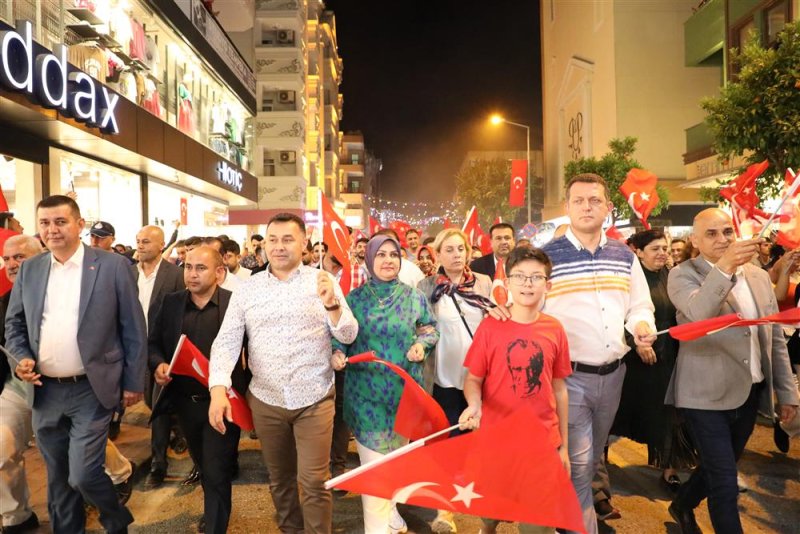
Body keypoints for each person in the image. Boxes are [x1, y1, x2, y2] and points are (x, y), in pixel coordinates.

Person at [209, 212, 358, 534]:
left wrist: (332, 305)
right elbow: (227, 342)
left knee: (315, 481)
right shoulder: (248, 290)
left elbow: (348, 335)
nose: (279, 247)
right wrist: (218, 388)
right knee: (280, 481)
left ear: (304, 243)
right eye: (273, 239)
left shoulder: (322, 282)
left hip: (315, 399)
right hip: (266, 400)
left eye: (288, 239)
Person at [6, 195, 147, 534]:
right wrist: (20, 358)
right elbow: (15, 324)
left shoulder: (112, 266)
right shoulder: (31, 268)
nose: (51, 230)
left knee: (82, 472)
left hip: (92, 387)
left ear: (79, 225)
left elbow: (133, 326)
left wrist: (133, 382)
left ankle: (115, 518)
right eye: (44, 223)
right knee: (57, 477)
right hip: (44, 390)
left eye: (60, 221)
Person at [666, 208, 799, 534]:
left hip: (749, 393)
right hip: (703, 396)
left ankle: (683, 502)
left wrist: (787, 392)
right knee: (724, 481)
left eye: (727, 231)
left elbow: (774, 338)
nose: (722, 239)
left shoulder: (756, 275)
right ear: (695, 241)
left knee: (717, 468)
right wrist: (724, 268)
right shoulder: (682, 275)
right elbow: (699, 314)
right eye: (711, 234)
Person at [541, 174, 656, 534]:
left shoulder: (624, 255)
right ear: (568, 207)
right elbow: (527, 306)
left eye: (594, 200)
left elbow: (639, 305)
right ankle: (579, 526)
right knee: (579, 463)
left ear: (608, 207)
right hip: (568, 378)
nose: (587, 206)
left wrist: (640, 326)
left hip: (615, 375)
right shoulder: (546, 256)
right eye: (579, 201)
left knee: (591, 458)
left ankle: (564, 512)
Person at [459, 246, 571, 534]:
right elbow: (473, 380)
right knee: (491, 514)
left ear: (548, 285)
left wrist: (564, 447)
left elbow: (559, 389)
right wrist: (475, 405)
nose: (527, 284)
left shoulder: (555, 329)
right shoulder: (491, 327)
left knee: (538, 526)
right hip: (497, 442)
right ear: (507, 283)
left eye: (536, 277)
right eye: (520, 276)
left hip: (542, 444)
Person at [331, 235, 438, 534]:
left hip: (405, 395)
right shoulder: (353, 299)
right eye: (381, 255)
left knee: (395, 464)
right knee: (375, 475)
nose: (388, 260)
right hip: (366, 397)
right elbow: (339, 336)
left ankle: (391, 512)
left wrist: (422, 345)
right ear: (369, 259)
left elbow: (429, 329)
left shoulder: (414, 296)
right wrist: (337, 353)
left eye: (394, 254)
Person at [150, 246, 249, 534]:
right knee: (206, 467)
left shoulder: (235, 304)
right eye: (187, 266)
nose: (191, 274)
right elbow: (153, 343)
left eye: (200, 268)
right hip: (185, 403)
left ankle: (216, 524)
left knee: (217, 471)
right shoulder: (171, 303)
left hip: (224, 403)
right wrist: (158, 365)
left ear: (220, 273)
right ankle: (213, 510)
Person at [417, 229, 492, 533]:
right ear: (438, 254)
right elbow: (421, 327)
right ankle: (443, 511)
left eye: (460, 248)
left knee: (480, 447)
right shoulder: (426, 287)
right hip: (443, 378)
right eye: (448, 249)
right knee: (445, 447)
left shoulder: (484, 283)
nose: (456, 254)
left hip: (480, 379)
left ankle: (488, 512)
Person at [611, 230, 696, 493]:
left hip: (670, 353)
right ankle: (599, 464)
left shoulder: (673, 276)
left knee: (672, 411)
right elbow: (616, 317)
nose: (662, 253)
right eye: (655, 249)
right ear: (638, 251)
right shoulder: (628, 281)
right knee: (622, 410)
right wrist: (636, 343)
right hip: (637, 358)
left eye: (665, 248)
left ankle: (669, 468)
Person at [132, 225, 188, 489]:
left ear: (161, 244)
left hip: (163, 352)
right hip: (134, 350)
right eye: (138, 241)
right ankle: (176, 435)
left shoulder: (175, 275)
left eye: (146, 241)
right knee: (150, 402)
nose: (140, 245)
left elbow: (182, 313)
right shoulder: (128, 274)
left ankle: (158, 465)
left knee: (159, 407)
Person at [0, 235, 41, 533]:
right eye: (7, 259)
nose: (12, 264)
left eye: (19, 257)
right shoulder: (1, 303)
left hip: (66, 386)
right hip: (16, 389)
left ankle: (118, 473)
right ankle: (17, 517)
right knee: (2, 448)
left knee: (79, 450)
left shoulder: (63, 293)